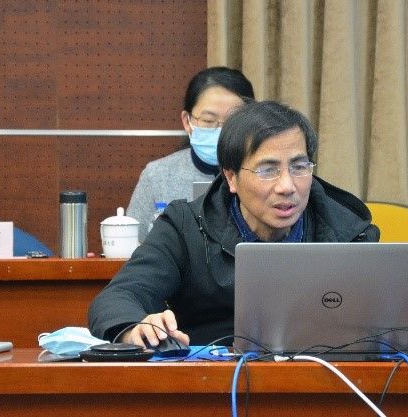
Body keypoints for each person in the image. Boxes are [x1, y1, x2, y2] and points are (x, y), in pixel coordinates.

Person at [88, 100, 380, 347]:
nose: (287, 186)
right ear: (231, 178)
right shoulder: (186, 226)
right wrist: (134, 328)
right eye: (268, 170)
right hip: (211, 380)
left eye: (299, 167)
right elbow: (119, 297)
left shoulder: (348, 231)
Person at [127, 66, 255, 242]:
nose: (222, 131)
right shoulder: (157, 175)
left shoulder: (262, 173)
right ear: (187, 122)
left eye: (232, 121)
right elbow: (133, 244)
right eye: (209, 120)